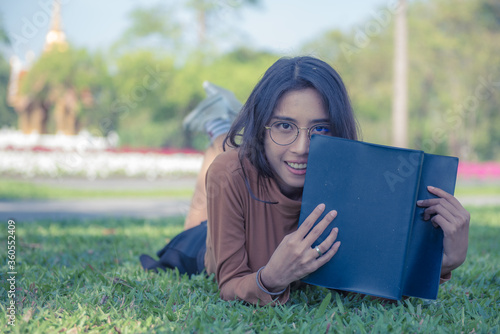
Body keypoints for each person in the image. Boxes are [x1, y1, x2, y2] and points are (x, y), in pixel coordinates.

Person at [140, 56, 470, 306]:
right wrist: (272, 277)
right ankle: (220, 127)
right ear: (262, 128)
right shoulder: (232, 174)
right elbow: (229, 284)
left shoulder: (358, 180)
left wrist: (442, 262)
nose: (302, 148)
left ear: (339, 131)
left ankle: (226, 125)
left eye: (320, 130)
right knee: (217, 175)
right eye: (284, 125)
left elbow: (376, 281)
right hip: (202, 243)